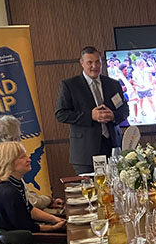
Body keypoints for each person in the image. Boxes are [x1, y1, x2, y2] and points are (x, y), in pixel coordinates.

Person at [55, 46, 129, 174]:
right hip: (85, 151)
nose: (94, 66)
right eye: (90, 62)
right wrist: (90, 116)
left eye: (97, 62)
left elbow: (124, 110)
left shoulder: (113, 84)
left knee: (116, 189)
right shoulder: (70, 85)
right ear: (82, 63)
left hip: (113, 148)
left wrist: (113, 116)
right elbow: (61, 114)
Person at [0, 115, 63, 214]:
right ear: (12, 138)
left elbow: (25, 192)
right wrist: (48, 201)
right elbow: (28, 201)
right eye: (19, 136)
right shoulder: (4, 159)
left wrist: (47, 202)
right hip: (14, 217)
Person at [0, 142, 66, 234]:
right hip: (18, 241)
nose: (28, 159)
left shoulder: (15, 183)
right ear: (8, 162)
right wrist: (53, 228)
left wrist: (55, 219)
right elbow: (26, 227)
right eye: (22, 157)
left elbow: (29, 209)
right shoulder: (8, 192)